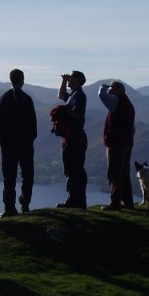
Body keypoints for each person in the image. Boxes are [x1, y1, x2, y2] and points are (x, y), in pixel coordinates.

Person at [0, 68, 37, 217]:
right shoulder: (27, 98)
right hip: (25, 143)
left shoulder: (3, 98)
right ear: (22, 80)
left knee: (9, 176)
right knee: (27, 174)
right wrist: (31, 139)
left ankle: (9, 208)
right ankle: (25, 203)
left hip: (8, 145)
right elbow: (33, 123)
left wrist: (3, 141)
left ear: (11, 79)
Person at [98, 80, 136, 210]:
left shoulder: (116, 101)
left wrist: (103, 87)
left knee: (114, 173)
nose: (110, 91)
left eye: (112, 88)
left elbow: (102, 95)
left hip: (116, 143)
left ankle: (115, 203)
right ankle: (128, 202)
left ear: (118, 90)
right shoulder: (128, 104)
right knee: (124, 173)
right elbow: (132, 127)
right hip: (127, 142)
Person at [55, 70, 88, 209]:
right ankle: (79, 200)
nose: (69, 79)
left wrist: (62, 112)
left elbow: (77, 114)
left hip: (74, 138)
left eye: (71, 77)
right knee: (77, 169)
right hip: (75, 137)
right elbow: (61, 95)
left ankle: (73, 199)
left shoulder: (79, 95)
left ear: (78, 80)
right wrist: (64, 80)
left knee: (71, 169)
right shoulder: (74, 95)